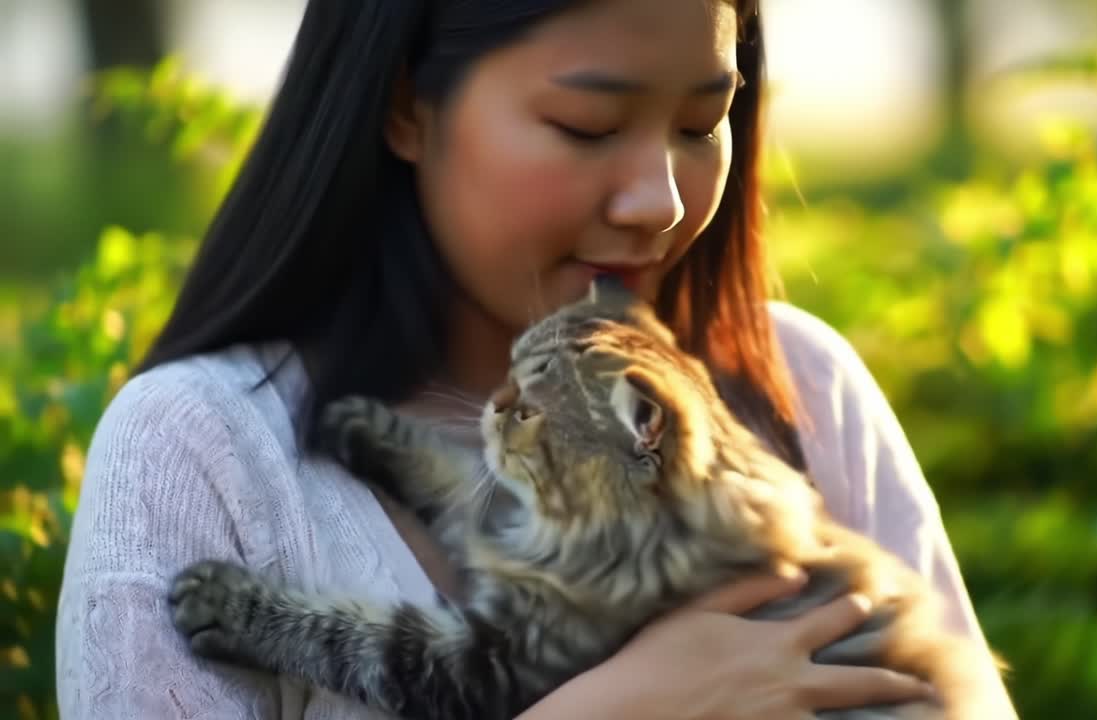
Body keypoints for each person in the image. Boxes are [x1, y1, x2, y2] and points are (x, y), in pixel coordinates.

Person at [55, 0, 1017, 717]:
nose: (663, 201)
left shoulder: (801, 383)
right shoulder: (202, 452)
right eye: (589, 127)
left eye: (700, 123)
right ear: (405, 105)